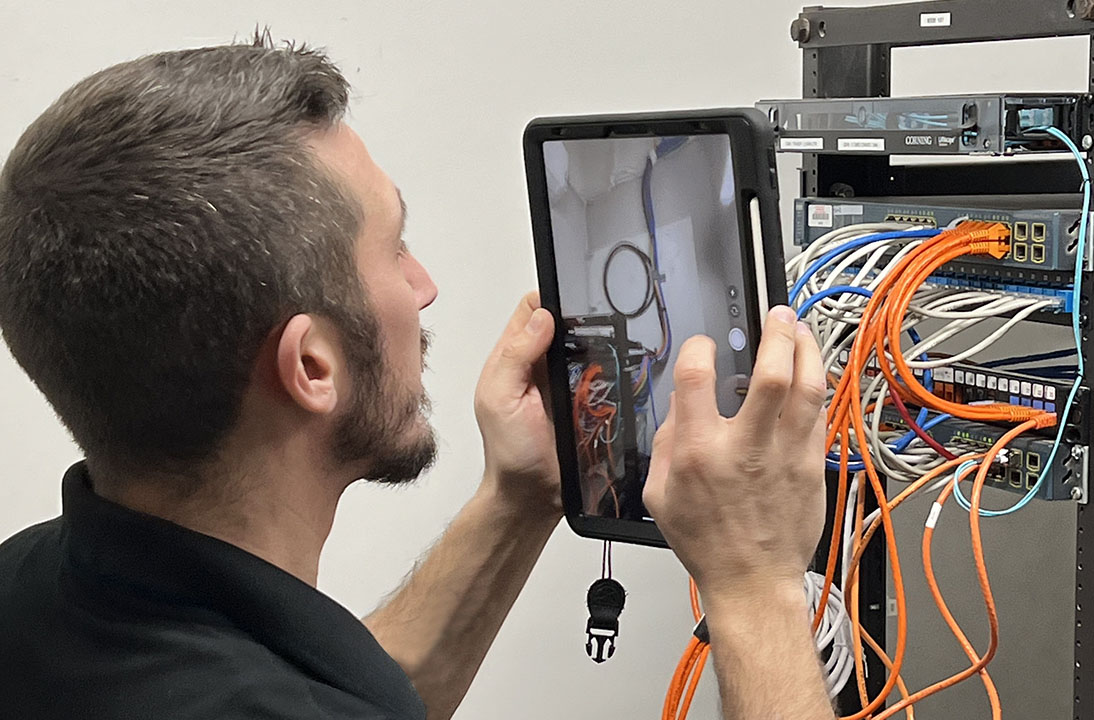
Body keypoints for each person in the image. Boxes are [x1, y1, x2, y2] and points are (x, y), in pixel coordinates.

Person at [0, 35, 834, 720]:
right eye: (396, 247)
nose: (424, 284)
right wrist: (757, 585)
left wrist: (520, 495)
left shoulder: (35, 587)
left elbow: (343, 693)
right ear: (312, 366)